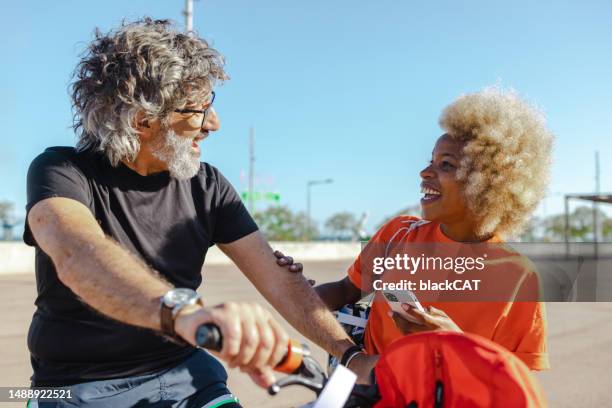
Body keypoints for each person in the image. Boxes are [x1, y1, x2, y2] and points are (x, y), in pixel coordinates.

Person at [24, 18, 374, 407]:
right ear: (143, 120)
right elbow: (78, 253)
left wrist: (349, 355)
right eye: (197, 109)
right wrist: (182, 313)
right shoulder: (62, 171)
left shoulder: (207, 185)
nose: (214, 123)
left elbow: (276, 279)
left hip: (186, 375)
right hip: (72, 388)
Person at [298, 87, 554, 371]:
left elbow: (515, 377)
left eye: (446, 164)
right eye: (429, 161)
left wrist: (455, 343)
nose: (424, 173)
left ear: (489, 181)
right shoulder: (397, 235)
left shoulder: (518, 276)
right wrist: (298, 294)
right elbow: (347, 290)